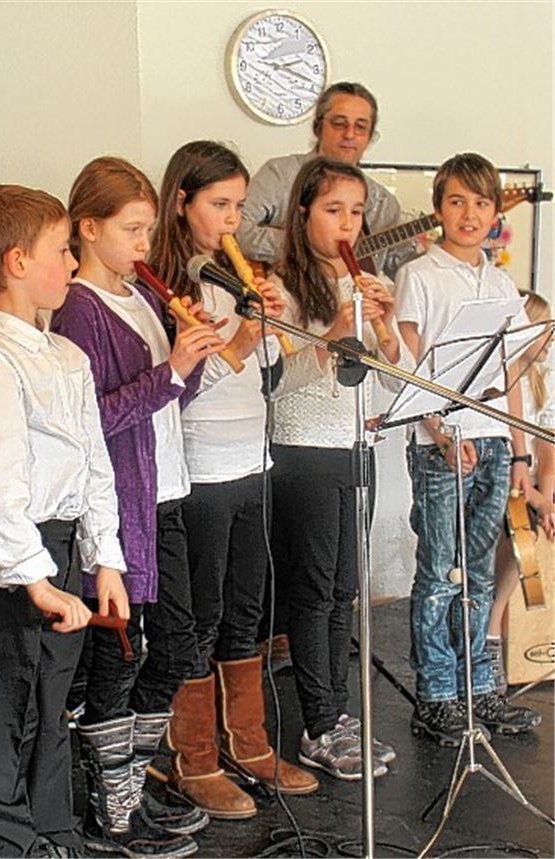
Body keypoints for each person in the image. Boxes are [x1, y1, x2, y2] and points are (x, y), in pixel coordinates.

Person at [49, 156, 224, 855]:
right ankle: (112, 809)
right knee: (120, 655)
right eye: (132, 230)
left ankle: (127, 779)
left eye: (150, 230)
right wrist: (174, 366)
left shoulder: (142, 297)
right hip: (120, 505)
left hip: (167, 493)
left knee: (177, 646)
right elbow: (93, 419)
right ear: (87, 227)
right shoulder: (78, 308)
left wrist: (199, 352)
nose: (145, 246)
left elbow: (172, 396)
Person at [0, 184, 129, 857]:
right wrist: (30, 576)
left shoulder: (67, 357)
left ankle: (53, 827)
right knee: (2, 705)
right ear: (18, 261)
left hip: (60, 544)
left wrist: (104, 555)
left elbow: (94, 463)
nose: (74, 264)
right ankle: (2, 838)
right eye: (63, 251)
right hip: (9, 553)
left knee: (52, 698)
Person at [146, 140, 317, 819]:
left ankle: (246, 741)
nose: (231, 220)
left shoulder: (232, 274)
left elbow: (271, 371)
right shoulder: (169, 282)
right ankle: (193, 757)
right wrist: (246, 339)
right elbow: (183, 385)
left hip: (253, 458)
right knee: (201, 615)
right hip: (202, 467)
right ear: (181, 202)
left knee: (247, 609)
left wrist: (271, 323)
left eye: (240, 207)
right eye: (219, 205)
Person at [395, 152, 542, 745]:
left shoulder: (500, 280)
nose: (470, 213)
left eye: (482, 203)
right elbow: (407, 362)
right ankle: (435, 694)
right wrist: (437, 430)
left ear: (495, 213)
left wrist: (519, 454)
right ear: (437, 209)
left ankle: (481, 690)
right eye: (457, 201)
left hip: (491, 444)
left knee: (479, 574)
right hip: (441, 448)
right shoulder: (420, 274)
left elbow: (506, 378)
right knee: (440, 573)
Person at [269, 157, 407, 779]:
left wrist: (383, 324)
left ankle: (338, 714)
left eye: (356, 212)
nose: (347, 225)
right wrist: (338, 327)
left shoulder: (364, 277)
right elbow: (278, 381)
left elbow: (393, 367)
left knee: (347, 589)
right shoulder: (281, 285)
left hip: (357, 447)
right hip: (302, 450)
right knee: (314, 586)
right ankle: (318, 723)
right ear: (303, 214)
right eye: (333, 211)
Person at [238, 82, 406, 276]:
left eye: (360, 127)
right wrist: (303, 246)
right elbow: (235, 228)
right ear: (318, 127)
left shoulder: (384, 204)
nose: (349, 134)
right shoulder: (280, 174)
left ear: (370, 138)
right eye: (339, 124)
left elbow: (401, 274)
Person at [488, 291, 554, 691]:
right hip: (507, 481)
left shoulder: (540, 383)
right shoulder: (506, 382)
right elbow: (517, 458)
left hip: (529, 486)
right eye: (543, 329)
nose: (550, 337)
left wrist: (547, 498)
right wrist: (535, 498)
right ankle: (493, 632)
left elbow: (546, 444)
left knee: (529, 520)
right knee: (519, 532)